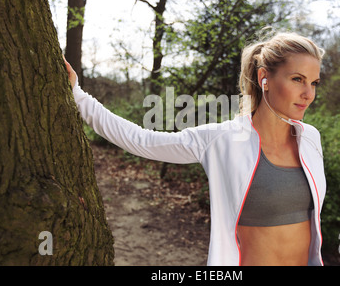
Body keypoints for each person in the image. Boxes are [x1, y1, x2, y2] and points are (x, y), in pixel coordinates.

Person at [64, 29, 326, 266]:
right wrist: (78, 95)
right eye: (297, 79)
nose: (309, 94)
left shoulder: (310, 139)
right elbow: (141, 140)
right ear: (264, 78)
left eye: (313, 83)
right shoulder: (222, 140)